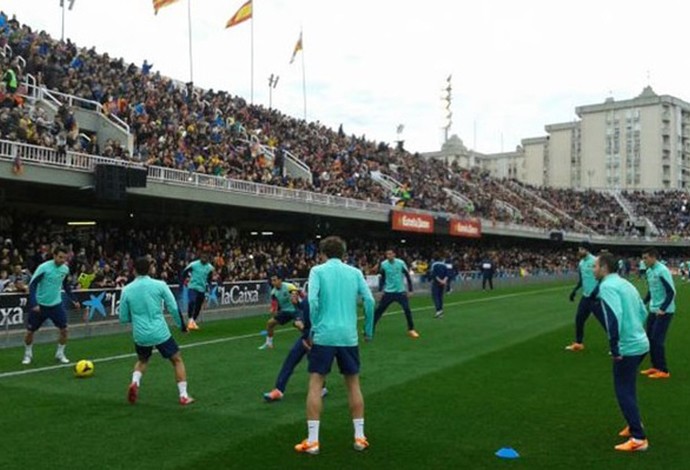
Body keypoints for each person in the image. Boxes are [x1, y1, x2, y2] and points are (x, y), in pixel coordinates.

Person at [294, 236, 375, 455]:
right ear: (344, 253)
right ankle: (359, 437)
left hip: (325, 335)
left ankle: (313, 441)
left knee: (316, 383)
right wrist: (368, 329)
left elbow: (312, 301)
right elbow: (370, 301)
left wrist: (315, 326)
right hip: (348, 336)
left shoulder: (318, 271)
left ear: (322, 253)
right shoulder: (355, 273)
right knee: (353, 384)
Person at [119, 257, 194, 406]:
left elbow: (123, 317)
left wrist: (136, 318)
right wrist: (182, 326)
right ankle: (183, 395)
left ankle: (135, 382)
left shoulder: (126, 290)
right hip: (160, 332)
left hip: (140, 334)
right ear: (150, 269)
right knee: (177, 360)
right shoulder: (160, 285)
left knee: (142, 360)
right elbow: (173, 307)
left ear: (134, 270)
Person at [594, 252, 649, 452]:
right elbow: (643, 311)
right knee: (629, 386)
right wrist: (635, 330)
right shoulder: (626, 283)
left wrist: (615, 346)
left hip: (628, 346)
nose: (593, 269)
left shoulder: (607, 286)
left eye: (595, 266)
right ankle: (635, 423)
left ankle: (639, 438)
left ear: (604, 267)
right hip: (641, 342)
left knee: (623, 390)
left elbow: (613, 317)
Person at [263, 285, 327, 402]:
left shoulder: (322, 304)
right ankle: (278, 390)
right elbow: (301, 310)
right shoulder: (309, 300)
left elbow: (320, 323)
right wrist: (296, 303)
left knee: (314, 363)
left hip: (316, 337)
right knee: (290, 360)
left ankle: (321, 388)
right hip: (306, 336)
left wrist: (303, 328)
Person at [22, 246, 80, 365]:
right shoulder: (44, 268)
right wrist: (34, 303)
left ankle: (60, 353)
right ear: (54, 256)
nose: (62, 260)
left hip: (56, 305)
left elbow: (65, 285)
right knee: (30, 332)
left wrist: (74, 299)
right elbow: (32, 285)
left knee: (64, 330)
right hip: (40, 306)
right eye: (60, 257)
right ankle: (28, 354)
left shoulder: (65, 269)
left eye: (65, 258)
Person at [640, 248, 676, 379]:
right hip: (653, 309)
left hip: (664, 311)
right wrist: (643, 302)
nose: (643, 261)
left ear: (653, 257)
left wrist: (663, 308)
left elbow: (671, 292)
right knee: (649, 338)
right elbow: (652, 290)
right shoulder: (649, 271)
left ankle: (663, 370)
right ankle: (655, 366)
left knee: (657, 339)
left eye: (646, 258)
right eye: (643, 258)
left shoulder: (662, 270)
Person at [565, 241, 605, 351]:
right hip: (586, 297)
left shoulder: (596, 261)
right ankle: (578, 343)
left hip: (597, 298)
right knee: (579, 319)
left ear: (587, 250)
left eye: (581, 249)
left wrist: (595, 292)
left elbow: (602, 278)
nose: (579, 251)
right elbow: (582, 279)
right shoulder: (581, 263)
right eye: (579, 249)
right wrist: (575, 290)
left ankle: (617, 345)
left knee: (605, 322)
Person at [373, 248, 419, 338]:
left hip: (400, 291)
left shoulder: (401, 263)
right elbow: (382, 278)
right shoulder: (384, 264)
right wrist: (380, 291)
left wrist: (410, 290)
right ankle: (370, 328)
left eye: (390, 254)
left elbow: (407, 275)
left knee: (407, 310)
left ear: (394, 254)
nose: (388, 256)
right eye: (387, 254)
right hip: (388, 292)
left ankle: (411, 329)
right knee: (379, 310)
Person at [258, 274, 301, 350]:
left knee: (300, 325)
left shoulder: (289, 286)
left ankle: (311, 341)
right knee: (270, 323)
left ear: (280, 280)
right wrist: (273, 309)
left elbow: (297, 295)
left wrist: (295, 297)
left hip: (296, 310)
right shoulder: (273, 292)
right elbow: (274, 303)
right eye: (272, 281)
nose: (273, 282)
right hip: (285, 311)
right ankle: (269, 343)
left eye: (275, 280)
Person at [181, 253, 214, 330]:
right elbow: (184, 272)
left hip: (202, 289)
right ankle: (190, 319)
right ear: (200, 258)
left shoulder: (210, 268)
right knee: (192, 301)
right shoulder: (194, 264)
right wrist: (184, 280)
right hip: (192, 286)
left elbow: (210, 278)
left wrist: (208, 286)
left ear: (208, 260)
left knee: (199, 306)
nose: (204, 260)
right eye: (202, 258)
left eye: (205, 259)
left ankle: (193, 321)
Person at [429, 252, 449, 319]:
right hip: (442, 283)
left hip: (436, 283)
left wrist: (440, 280)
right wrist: (444, 281)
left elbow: (434, 275)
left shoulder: (434, 265)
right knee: (440, 297)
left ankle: (438, 310)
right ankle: (441, 311)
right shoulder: (444, 264)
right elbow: (447, 274)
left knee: (435, 297)